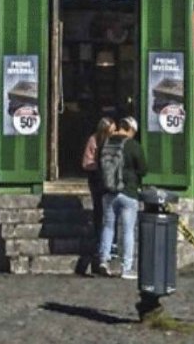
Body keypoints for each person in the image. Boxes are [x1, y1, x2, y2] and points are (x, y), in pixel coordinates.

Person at [95, 116, 148, 280]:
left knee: (108, 227)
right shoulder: (133, 145)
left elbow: (99, 164)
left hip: (108, 192)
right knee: (128, 230)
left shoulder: (106, 143)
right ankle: (127, 267)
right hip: (128, 192)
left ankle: (103, 261)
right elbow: (144, 169)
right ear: (131, 129)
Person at [79, 116, 114, 276]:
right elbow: (86, 162)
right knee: (100, 212)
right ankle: (100, 247)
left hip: (108, 181)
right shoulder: (94, 140)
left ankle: (105, 247)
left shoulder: (113, 142)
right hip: (98, 180)